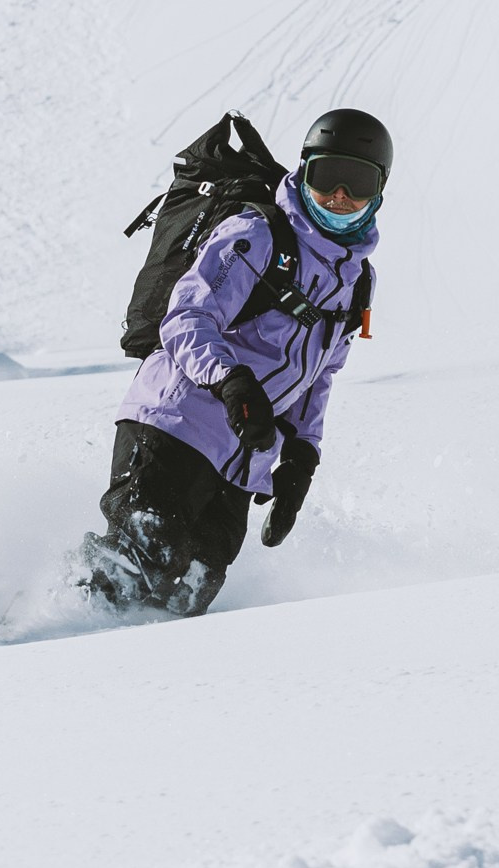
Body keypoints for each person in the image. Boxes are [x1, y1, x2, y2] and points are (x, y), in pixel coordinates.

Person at [84, 108, 389, 618]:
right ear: (304, 170)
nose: (339, 195)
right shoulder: (257, 235)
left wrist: (301, 454)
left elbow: (321, 373)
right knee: (131, 570)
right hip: (174, 423)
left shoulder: (359, 280)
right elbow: (185, 317)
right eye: (326, 177)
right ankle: (36, 635)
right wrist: (230, 380)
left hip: (244, 459)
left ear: (379, 192)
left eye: (356, 182)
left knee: (186, 599)